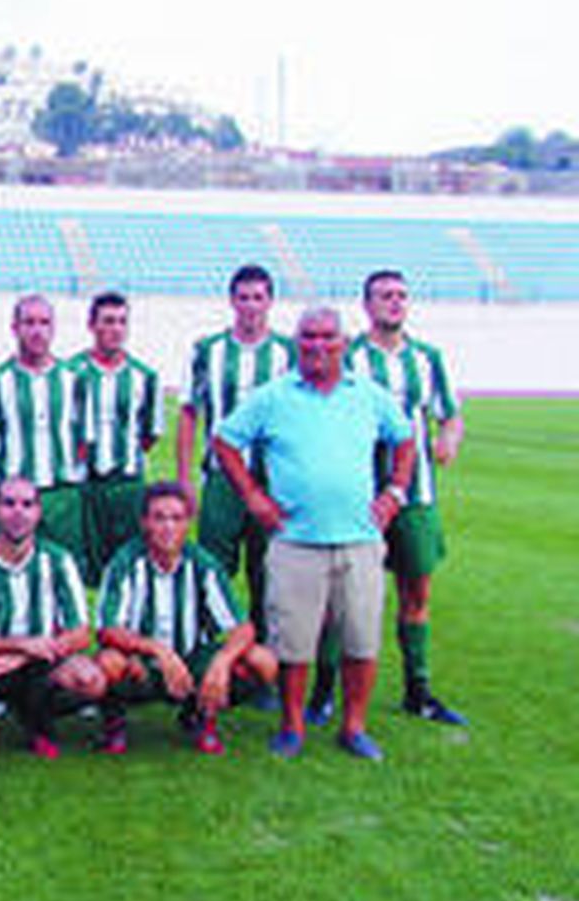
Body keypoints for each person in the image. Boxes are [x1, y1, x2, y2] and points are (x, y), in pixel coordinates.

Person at [214, 305, 416, 762]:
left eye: (328, 336)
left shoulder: (368, 394)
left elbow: (404, 440)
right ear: (296, 342)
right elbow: (225, 442)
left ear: (343, 343)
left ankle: (354, 727)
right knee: (294, 643)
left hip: (360, 540)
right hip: (295, 541)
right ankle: (292, 725)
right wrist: (254, 497)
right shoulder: (273, 396)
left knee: (361, 640)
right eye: (308, 336)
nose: (318, 345)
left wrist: (395, 494)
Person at [319, 269, 467, 726]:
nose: (395, 302)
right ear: (367, 305)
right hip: (358, 497)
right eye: (385, 295)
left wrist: (448, 439)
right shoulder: (350, 358)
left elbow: (450, 414)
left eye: (401, 295)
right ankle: (324, 693)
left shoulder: (426, 358)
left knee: (415, 591)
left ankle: (417, 690)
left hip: (415, 496)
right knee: (338, 599)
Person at [95, 482, 279, 755]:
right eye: (159, 518)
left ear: (187, 523)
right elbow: (107, 631)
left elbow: (243, 628)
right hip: (143, 662)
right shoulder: (125, 563)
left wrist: (221, 663)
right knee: (108, 662)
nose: (168, 527)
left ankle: (201, 714)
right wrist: (158, 651)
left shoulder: (202, 564)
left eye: (176, 518)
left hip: (192, 658)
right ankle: (115, 721)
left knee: (263, 662)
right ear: (144, 522)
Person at [0, 477, 106, 765]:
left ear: (39, 513)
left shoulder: (58, 560)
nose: (18, 512)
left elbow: (81, 634)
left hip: (38, 663)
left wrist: (22, 656)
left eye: (27, 504)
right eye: (9, 504)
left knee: (90, 680)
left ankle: (37, 719)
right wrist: (20, 645)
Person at [175, 265, 296, 643]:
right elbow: (189, 413)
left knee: (268, 572)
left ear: (270, 302)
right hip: (221, 480)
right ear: (232, 301)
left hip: (269, 481)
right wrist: (183, 481)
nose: (250, 306)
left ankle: (263, 658)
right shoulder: (207, 350)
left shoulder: (286, 353)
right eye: (243, 297)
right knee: (213, 570)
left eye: (258, 297)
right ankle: (207, 652)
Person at [0, 294, 86, 560]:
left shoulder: (72, 379)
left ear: (53, 329)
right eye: (29, 323)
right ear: (15, 328)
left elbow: (84, 437)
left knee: (61, 573)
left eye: (44, 323)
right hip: (10, 495)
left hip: (60, 495)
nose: (37, 331)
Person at [70, 291, 162, 586]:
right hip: (87, 485)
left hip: (128, 486)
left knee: (129, 570)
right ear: (92, 325)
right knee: (85, 571)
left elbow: (150, 433)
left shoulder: (144, 376)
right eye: (108, 321)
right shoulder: (71, 372)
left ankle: (122, 629)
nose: (115, 329)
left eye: (122, 322)